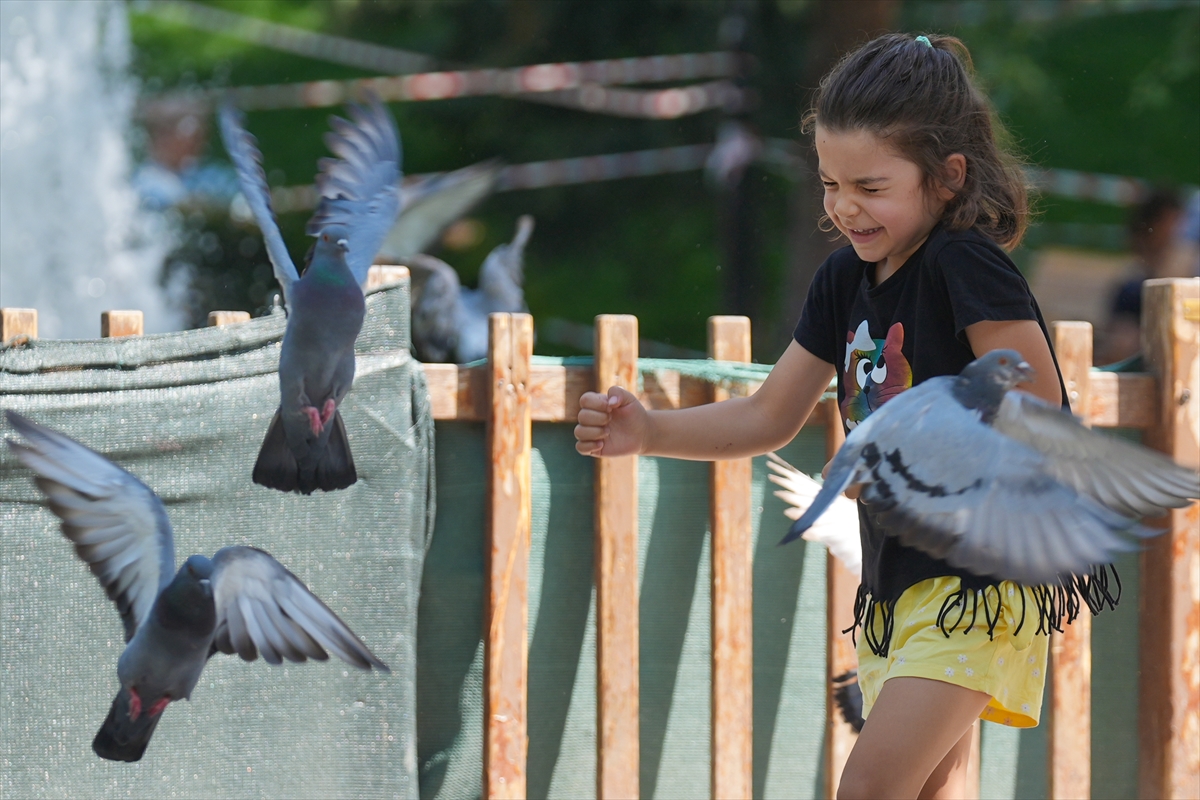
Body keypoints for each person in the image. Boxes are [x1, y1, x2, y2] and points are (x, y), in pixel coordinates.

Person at [575, 33, 1089, 799]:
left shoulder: (964, 266)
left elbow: (1042, 413)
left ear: (947, 178)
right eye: (829, 183)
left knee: (868, 789)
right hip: (898, 590)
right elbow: (767, 416)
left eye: (872, 187)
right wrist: (650, 432)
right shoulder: (844, 279)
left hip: (979, 585)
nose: (845, 206)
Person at [1100, 188, 1184, 364]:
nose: (1175, 230)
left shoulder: (1182, 262)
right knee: (1124, 341)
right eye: (1170, 223)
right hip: (1141, 337)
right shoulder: (1132, 284)